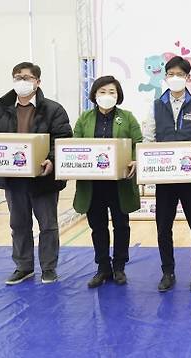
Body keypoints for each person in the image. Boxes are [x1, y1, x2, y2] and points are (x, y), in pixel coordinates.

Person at [0, 62, 72, 285]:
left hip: (43, 179)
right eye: (17, 77)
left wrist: (52, 160)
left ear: (37, 82)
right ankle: (23, 267)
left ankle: (48, 268)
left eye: (27, 78)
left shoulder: (53, 109)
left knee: (48, 225)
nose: (22, 81)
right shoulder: (0, 108)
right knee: (19, 225)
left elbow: (63, 139)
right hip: (13, 179)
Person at [143, 56, 191, 292]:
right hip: (165, 178)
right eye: (171, 74)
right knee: (163, 227)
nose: (175, 78)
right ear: (165, 77)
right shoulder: (155, 105)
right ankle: (168, 272)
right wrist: (147, 165)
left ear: (188, 77)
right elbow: (149, 140)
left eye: (180, 74)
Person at [72, 75, 142, 288]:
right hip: (92, 184)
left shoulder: (127, 117)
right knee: (98, 226)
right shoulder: (84, 118)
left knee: (121, 225)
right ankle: (103, 267)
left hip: (119, 183)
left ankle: (119, 267)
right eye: (102, 91)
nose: (107, 95)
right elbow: (73, 146)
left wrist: (134, 159)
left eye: (112, 92)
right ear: (94, 94)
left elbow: (138, 143)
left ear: (118, 95)